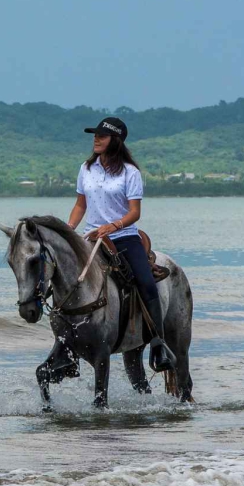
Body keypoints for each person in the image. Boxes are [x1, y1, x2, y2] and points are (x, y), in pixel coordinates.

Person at [67, 116, 175, 372]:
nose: (96, 139)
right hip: (90, 238)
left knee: (146, 282)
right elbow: (80, 204)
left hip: (123, 237)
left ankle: (159, 344)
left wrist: (114, 225)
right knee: (64, 279)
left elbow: (134, 212)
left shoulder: (130, 172)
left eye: (101, 136)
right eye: (94, 135)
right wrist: (69, 230)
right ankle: (66, 344)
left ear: (115, 141)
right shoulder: (86, 168)